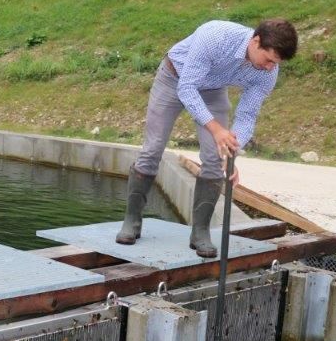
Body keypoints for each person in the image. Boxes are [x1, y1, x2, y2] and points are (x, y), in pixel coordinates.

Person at [115, 18, 298, 258]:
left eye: (276, 64)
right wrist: (217, 129)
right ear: (256, 42)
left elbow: (247, 116)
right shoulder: (215, 36)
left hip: (213, 89)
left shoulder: (267, 73)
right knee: (152, 150)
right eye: (269, 60)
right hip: (174, 78)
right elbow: (187, 88)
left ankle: (200, 232)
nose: (270, 68)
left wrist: (232, 150)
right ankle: (132, 220)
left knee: (214, 160)